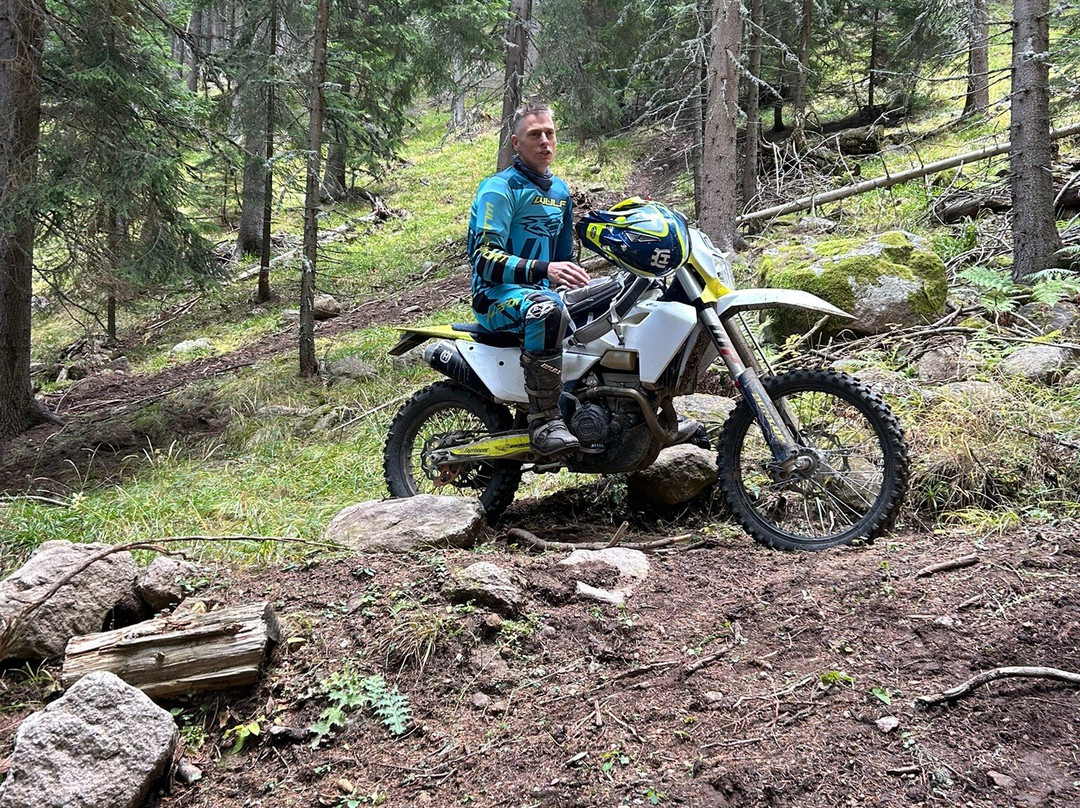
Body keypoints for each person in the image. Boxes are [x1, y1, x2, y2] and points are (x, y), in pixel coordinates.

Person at [466, 102, 590, 456]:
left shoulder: (561, 193)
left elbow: (564, 258)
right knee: (546, 310)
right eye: (534, 135)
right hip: (496, 297)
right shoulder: (498, 189)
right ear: (516, 143)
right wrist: (543, 271)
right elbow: (485, 259)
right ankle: (543, 421)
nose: (545, 142)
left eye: (550, 133)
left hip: (544, 291)